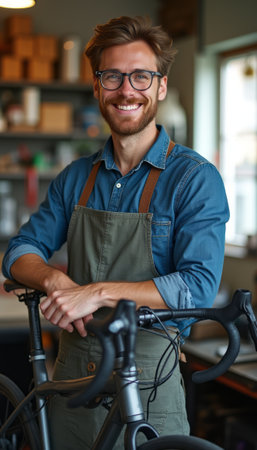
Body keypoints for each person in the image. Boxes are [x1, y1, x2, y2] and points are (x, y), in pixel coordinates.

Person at [2, 15, 229, 450]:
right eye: (113, 76)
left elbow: (198, 287)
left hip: (149, 385)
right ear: (96, 86)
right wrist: (56, 280)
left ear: (160, 86)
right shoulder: (75, 178)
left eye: (141, 76)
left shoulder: (194, 179)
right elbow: (20, 251)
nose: (127, 90)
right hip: (73, 384)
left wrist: (98, 292)